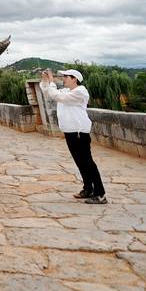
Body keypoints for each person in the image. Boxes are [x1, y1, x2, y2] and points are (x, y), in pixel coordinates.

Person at [40, 68, 107, 204]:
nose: (63, 79)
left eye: (66, 77)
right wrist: (45, 80)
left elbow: (57, 96)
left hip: (79, 132)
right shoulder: (67, 91)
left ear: (74, 78)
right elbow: (49, 93)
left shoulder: (80, 92)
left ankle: (100, 193)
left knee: (88, 162)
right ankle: (88, 189)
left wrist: (52, 81)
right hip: (70, 132)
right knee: (80, 162)